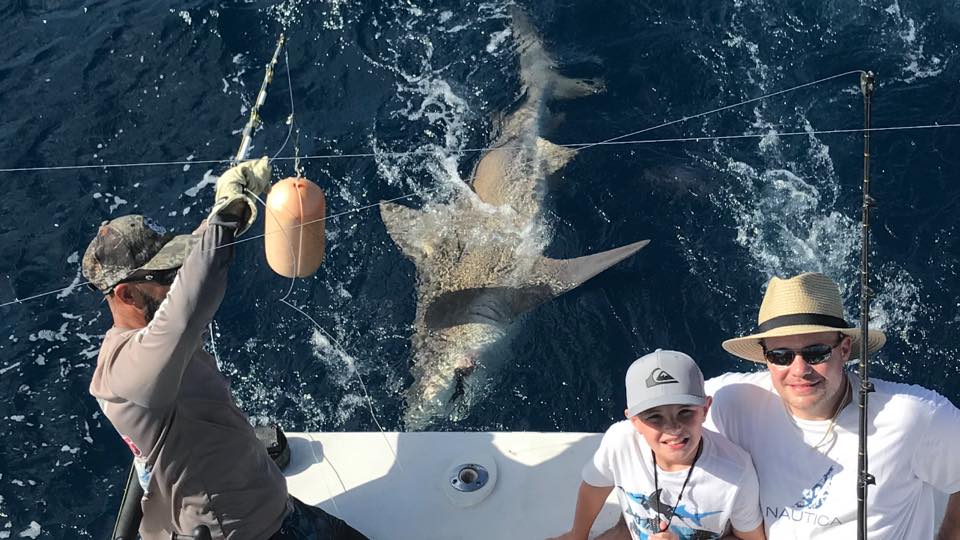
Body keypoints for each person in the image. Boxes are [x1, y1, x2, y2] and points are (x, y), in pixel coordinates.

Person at [83, 158, 366, 539]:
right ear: (125, 293)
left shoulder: (151, 334)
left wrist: (236, 207)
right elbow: (190, 301)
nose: (176, 277)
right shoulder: (132, 373)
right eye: (166, 274)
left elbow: (190, 280)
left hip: (271, 504)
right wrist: (225, 215)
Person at [704, 272, 960, 539]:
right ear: (765, 358)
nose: (800, 369)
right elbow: (661, 422)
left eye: (816, 353)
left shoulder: (911, 416)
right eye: (781, 356)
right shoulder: (730, 402)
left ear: (845, 349)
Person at [549, 349, 766, 540]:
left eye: (685, 412)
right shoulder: (619, 442)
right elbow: (594, 487)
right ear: (633, 420)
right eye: (654, 417)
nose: (672, 428)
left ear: (705, 409)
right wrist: (577, 535)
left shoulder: (737, 473)